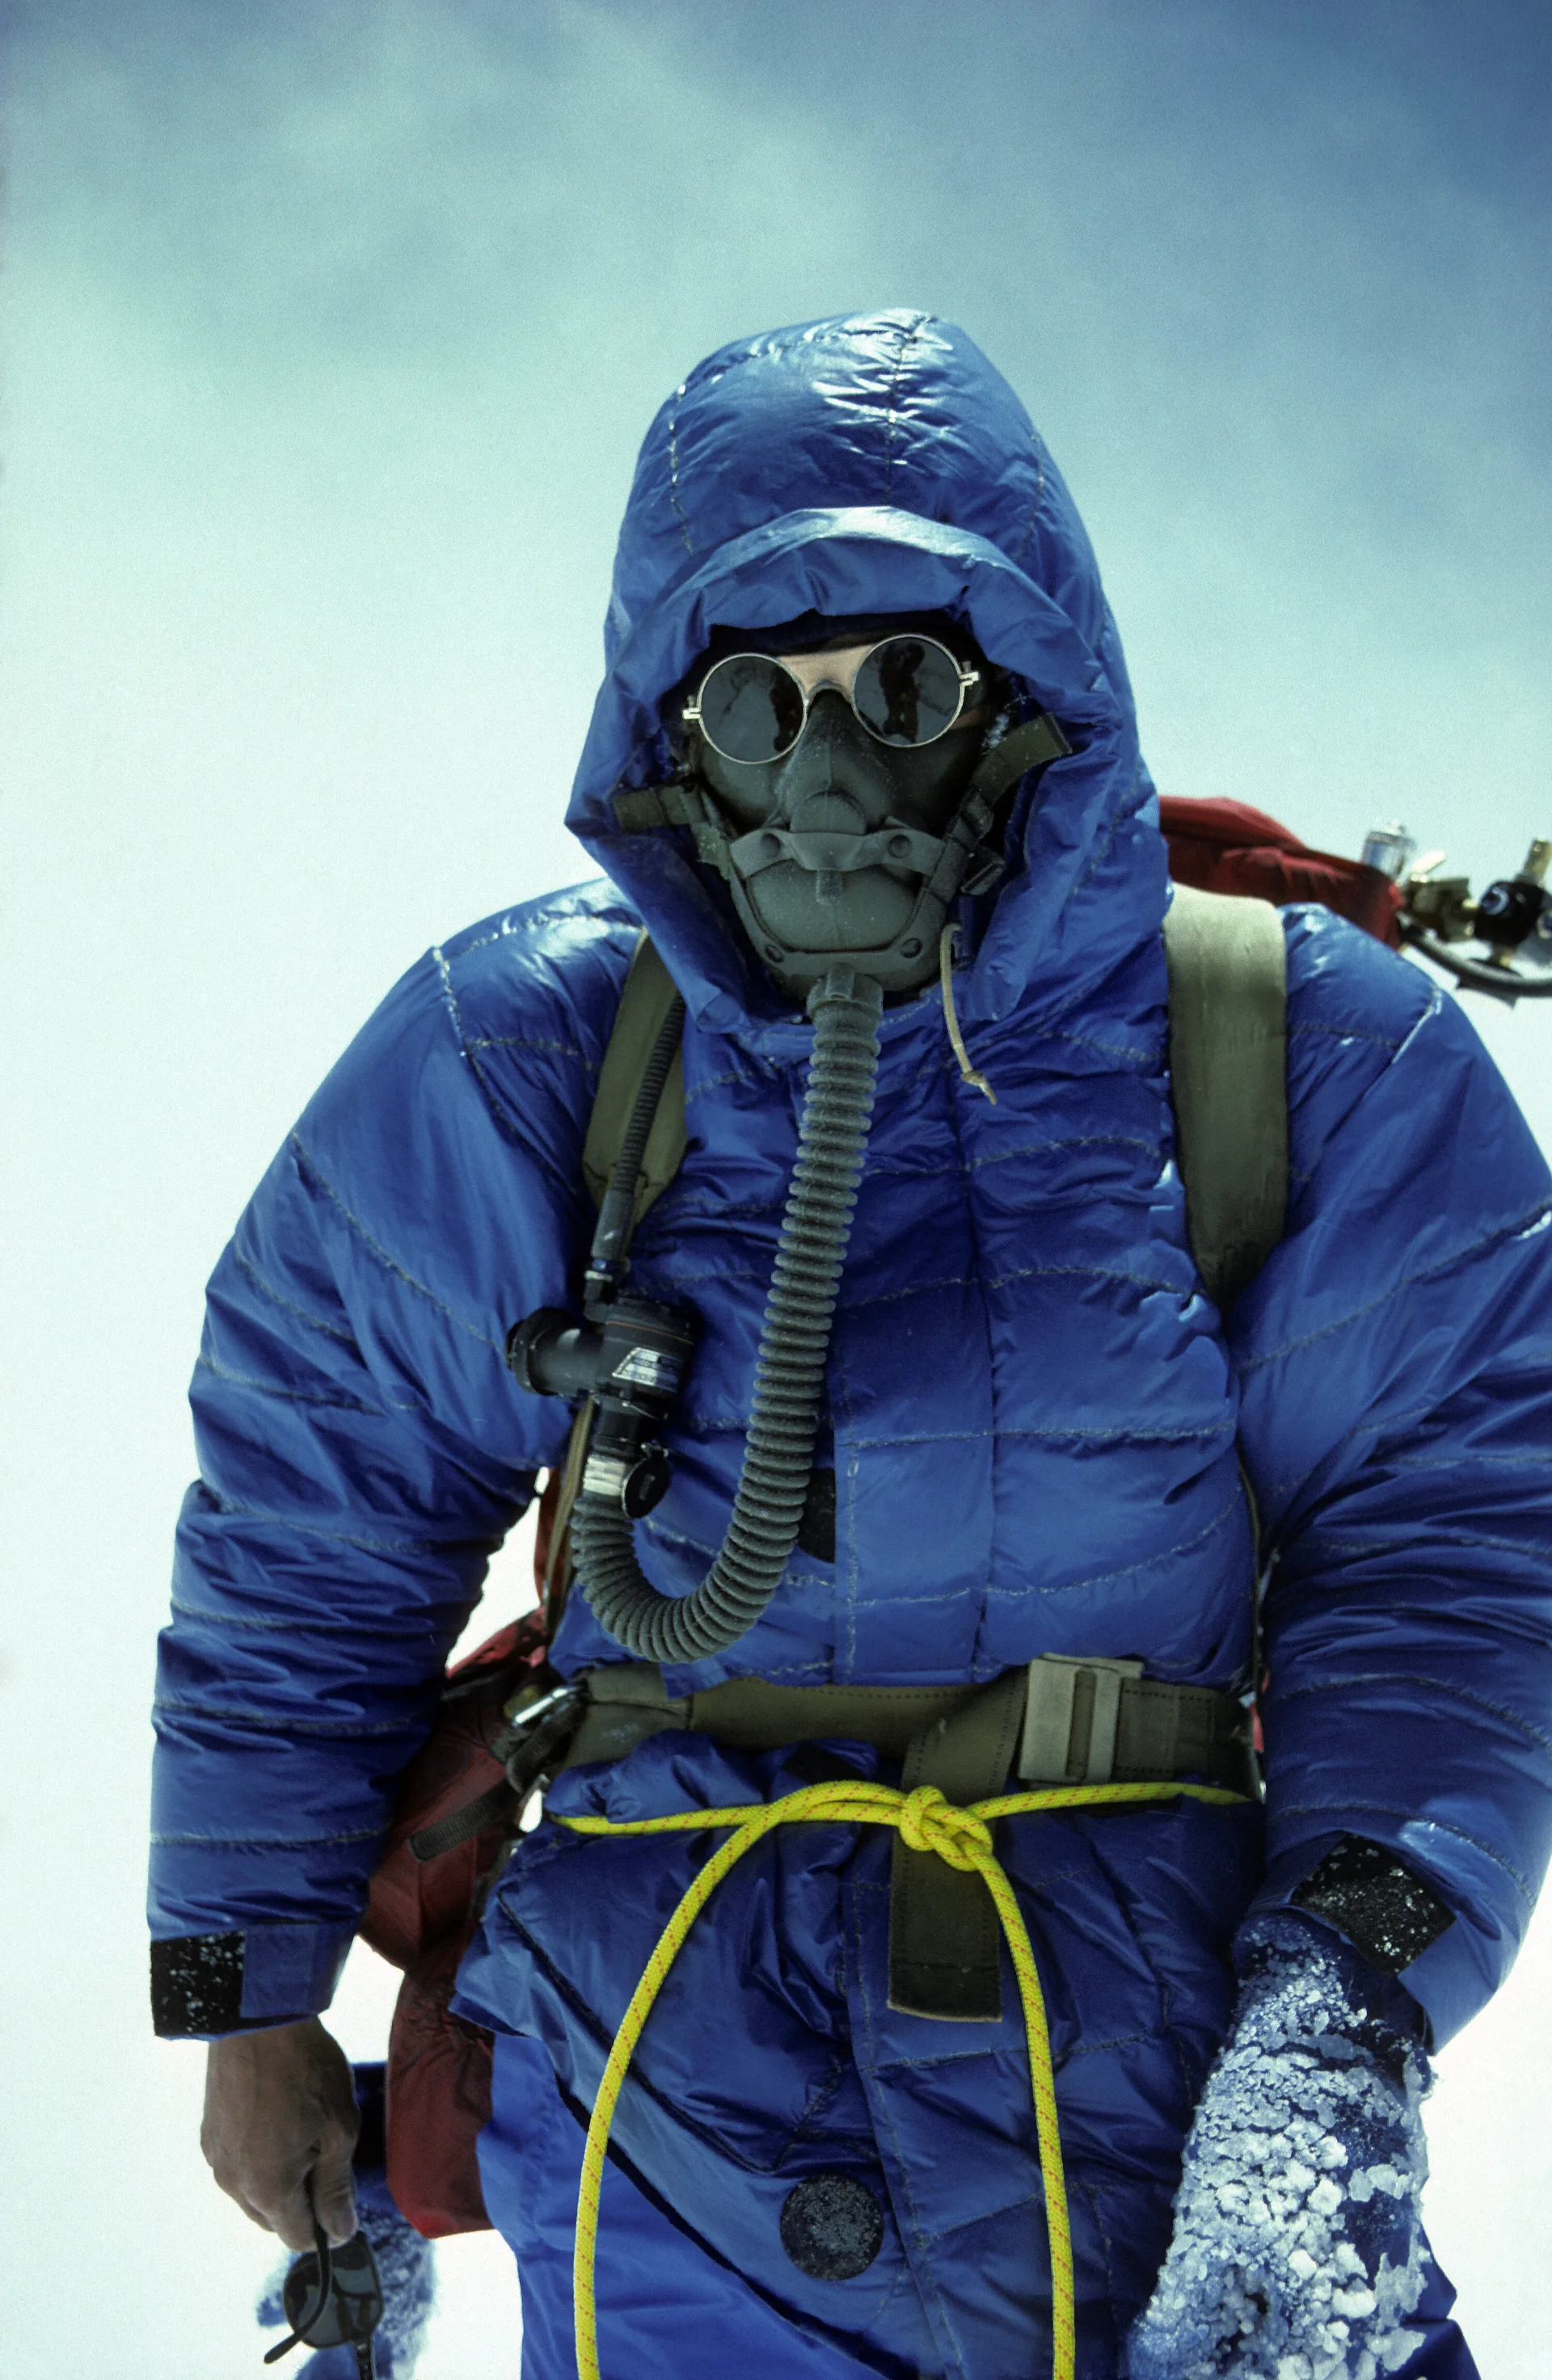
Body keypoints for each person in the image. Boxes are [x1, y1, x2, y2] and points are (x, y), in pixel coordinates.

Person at [153, 310, 1552, 2380]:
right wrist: (246, 1998)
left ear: (1030, 690)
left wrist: (1330, 2031)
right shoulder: (526, 1061)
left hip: (1159, 2078)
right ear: (663, 728)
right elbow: (311, 1519)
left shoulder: (1296, 1053)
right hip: (665, 2116)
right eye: (751, 702)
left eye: (904, 688)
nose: (828, 776)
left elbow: (1452, 1549)